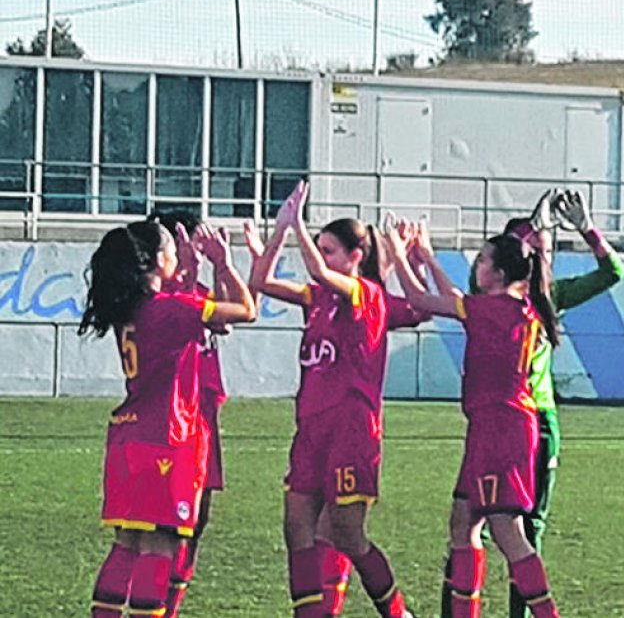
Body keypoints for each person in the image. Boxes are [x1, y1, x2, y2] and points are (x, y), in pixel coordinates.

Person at [441, 188, 624, 618]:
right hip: (502, 419)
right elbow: (475, 286)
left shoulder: (550, 297)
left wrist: (587, 229)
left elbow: (613, 271)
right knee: (470, 523)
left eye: (545, 249)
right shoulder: (499, 298)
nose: (544, 256)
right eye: (535, 249)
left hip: (534, 421)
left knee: (520, 526)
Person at [249, 181, 413, 618]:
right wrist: (280, 231)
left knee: (347, 535)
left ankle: (397, 613)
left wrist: (297, 225)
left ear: (355, 257)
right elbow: (260, 281)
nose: (321, 258)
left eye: (331, 249)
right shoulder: (316, 299)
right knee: (296, 528)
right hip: (311, 428)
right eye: (319, 248)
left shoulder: (367, 295)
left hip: (351, 430)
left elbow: (321, 272)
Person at [83, 220, 256, 618]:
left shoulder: (131, 307)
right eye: (171, 249)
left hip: (127, 437)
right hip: (166, 436)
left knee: (126, 542)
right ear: (158, 260)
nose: (176, 255)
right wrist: (223, 264)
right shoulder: (172, 309)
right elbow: (246, 311)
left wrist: (190, 273)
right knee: (161, 545)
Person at [391, 219, 562, 618]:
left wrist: (397, 250)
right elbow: (455, 297)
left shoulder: (494, 309)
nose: (477, 265)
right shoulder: (513, 306)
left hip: (500, 429)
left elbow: (421, 298)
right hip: (498, 426)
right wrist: (428, 257)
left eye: (483, 259)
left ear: (499, 273)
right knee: (463, 523)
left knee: (507, 531)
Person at [146, 210, 238, 618]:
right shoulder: (157, 295)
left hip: (203, 413)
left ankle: (169, 607)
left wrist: (221, 266)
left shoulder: (194, 287)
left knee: (196, 520)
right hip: (172, 415)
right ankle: (152, 605)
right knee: (162, 523)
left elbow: (230, 317)